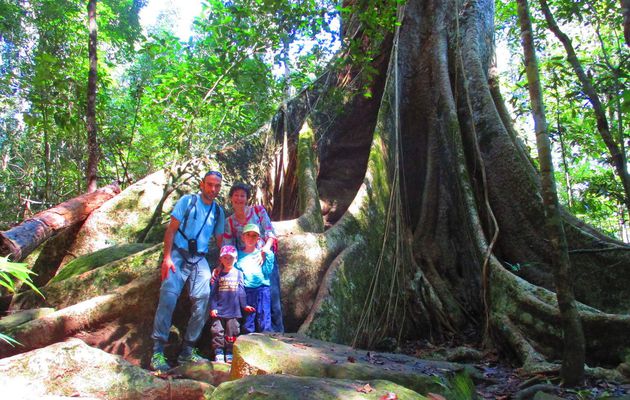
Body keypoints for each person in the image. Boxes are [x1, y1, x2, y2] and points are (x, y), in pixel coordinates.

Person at [149, 170, 225, 372]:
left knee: (203, 299)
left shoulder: (218, 211)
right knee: (168, 298)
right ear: (202, 184)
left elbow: (220, 241)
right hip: (178, 255)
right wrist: (166, 258)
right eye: (209, 184)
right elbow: (171, 230)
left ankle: (187, 351)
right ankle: (157, 352)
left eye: (217, 186)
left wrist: (223, 262)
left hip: (199, 258)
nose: (213, 189)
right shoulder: (187, 201)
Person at [223, 182, 284, 332]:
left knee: (272, 295)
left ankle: (277, 332)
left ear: (247, 198)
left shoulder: (258, 211)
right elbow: (228, 246)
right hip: (246, 264)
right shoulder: (229, 222)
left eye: (242, 195)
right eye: (236, 195)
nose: (239, 199)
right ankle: (252, 335)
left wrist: (265, 249)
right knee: (248, 299)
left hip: (264, 259)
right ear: (231, 198)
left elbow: (270, 232)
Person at [209, 244, 255, 363]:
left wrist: (244, 305)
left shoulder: (239, 273)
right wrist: (213, 307)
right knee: (217, 331)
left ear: (236, 259)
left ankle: (230, 352)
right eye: (225, 258)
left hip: (234, 310)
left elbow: (241, 291)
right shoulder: (218, 274)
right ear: (221, 259)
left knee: (233, 331)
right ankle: (218, 352)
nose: (228, 260)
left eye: (231, 258)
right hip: (219, 310)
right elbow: (213, 292)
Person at [236, 224, 275, 333]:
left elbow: (268, 271)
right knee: (248, 320)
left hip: (263, 290)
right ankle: (247, 345)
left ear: (258, 239)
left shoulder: (262, 254)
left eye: (254, 236)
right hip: (247, 291)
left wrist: (267, 252)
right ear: (243, 237)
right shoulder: (238, 255)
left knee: (264, 318)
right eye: (248, 235)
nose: (251, 238)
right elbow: (235, 274)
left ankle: (267, 343)